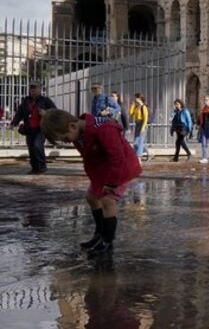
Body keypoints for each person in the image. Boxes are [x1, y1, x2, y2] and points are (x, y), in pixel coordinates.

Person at [41, 108, 142, 258]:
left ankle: (107, 240)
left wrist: (112, 183)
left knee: (108, 200)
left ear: (72, 126)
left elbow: (117, 157)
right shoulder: (79, 134)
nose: (68, 142)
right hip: (104, 169)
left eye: (66, 139)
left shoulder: (104, 129)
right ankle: (99, 235)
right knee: (92, 197)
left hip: (122, 168)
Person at [11, 81, 55, 174]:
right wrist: (13, 123)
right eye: (31, 89)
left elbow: (55, 112)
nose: (33, 90)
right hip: (29, 128)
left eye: (35, 88)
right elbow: (20, 113)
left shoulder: (45, 100)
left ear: (40, 89)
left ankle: (42, 166)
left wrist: (46, 113)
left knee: (37, 146)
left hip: (41, 128)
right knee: (31, 148)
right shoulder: (26, 101)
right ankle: (35, 168)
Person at [128, 93, 150, 161]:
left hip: (142, 124)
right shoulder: (137, 107)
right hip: (137, 124)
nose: (134, 99)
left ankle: (138, 157)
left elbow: (145, 119)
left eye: (135, 98)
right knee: (136, 141)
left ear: (139, 98)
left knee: (139, 141)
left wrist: (143, 128)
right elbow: (130, 113)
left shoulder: (144, 107)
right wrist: (132, 105)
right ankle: (145, 151)